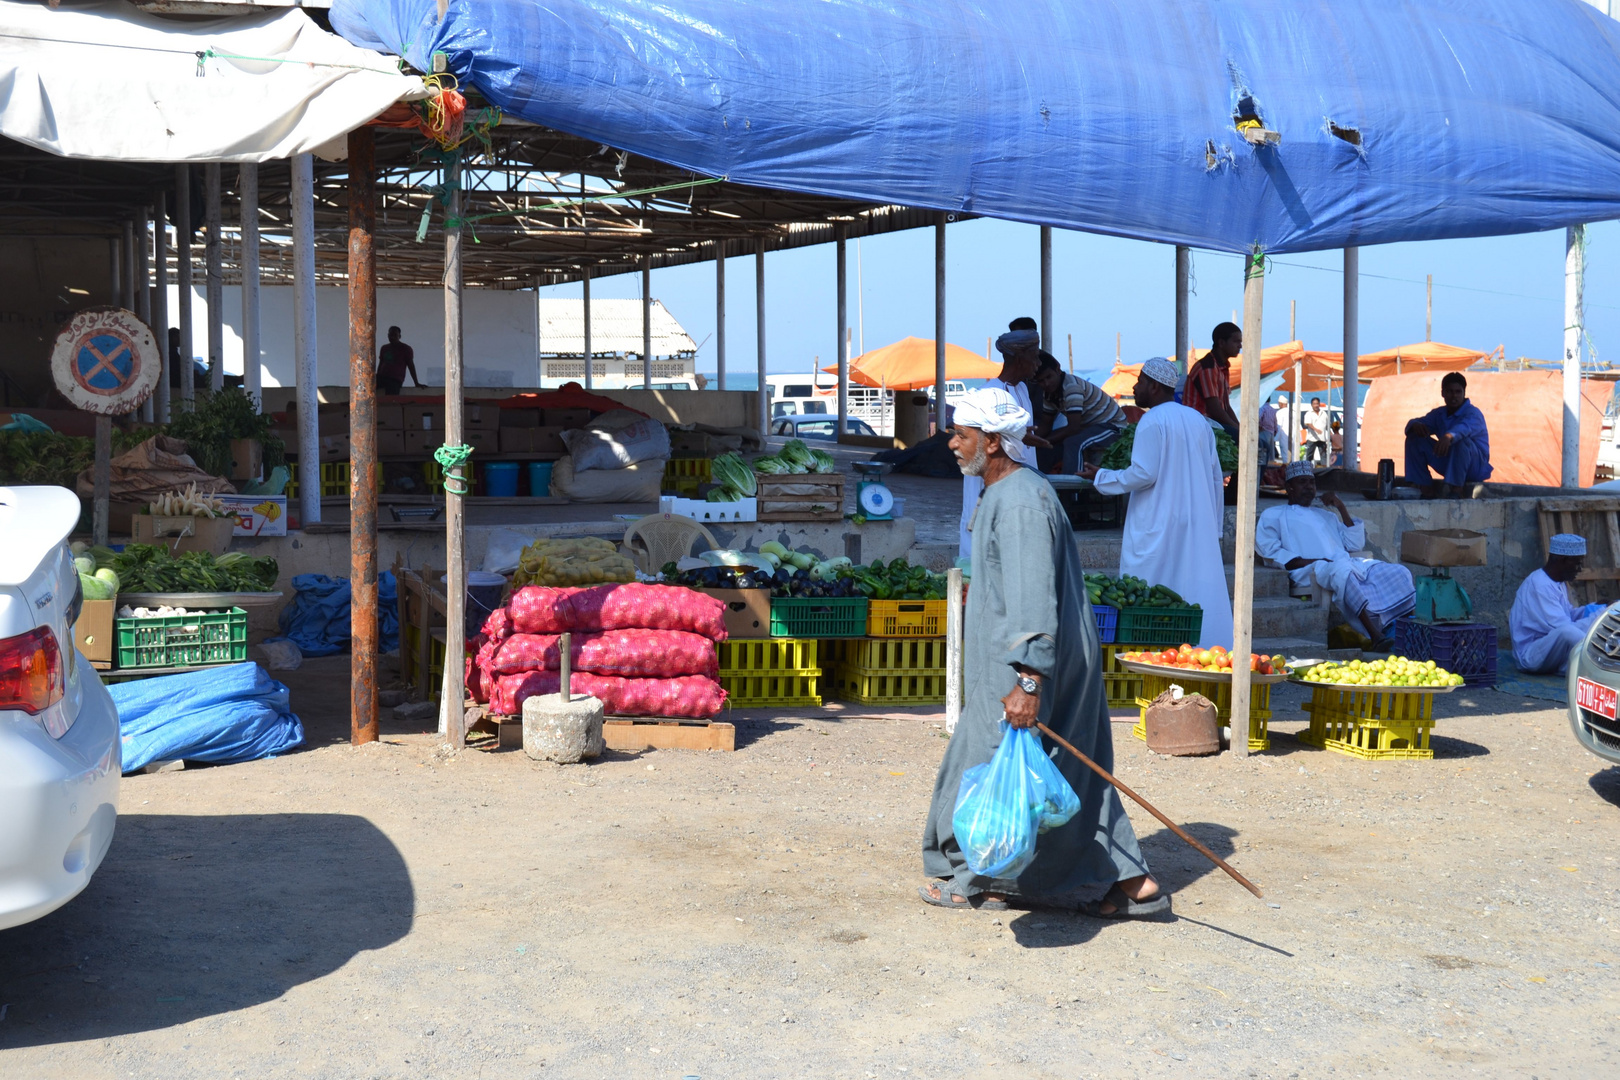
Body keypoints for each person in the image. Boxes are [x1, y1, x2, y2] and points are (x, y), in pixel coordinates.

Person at [921, 385, 1164, 918]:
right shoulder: (1004, 491)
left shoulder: (1022, 502)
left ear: (992, 440)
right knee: (1051, 771)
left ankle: (972, 875)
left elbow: (1033, 599)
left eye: (962, 436)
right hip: (1012, 661)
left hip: (1028, 665)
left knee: (1009, 763)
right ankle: (1126, 883)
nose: (954, 446)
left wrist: (1030, 680)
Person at [1081, 358, 1234, 648]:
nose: (1135, 387)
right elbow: (1216, 476)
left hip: (1159, 522)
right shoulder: (1197, 420)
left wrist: (1101, 476)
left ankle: (1152, 651)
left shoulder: (1151, 421)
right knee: (1194, 586)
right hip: (1195, 523)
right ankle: (1205, 652)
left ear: (1154, 386)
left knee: (1151, 587)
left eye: (1139, 381)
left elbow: (1143, 473)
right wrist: (1212, 526)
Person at [1256, 462, 1416, 645]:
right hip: (1310, 570)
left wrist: (1340, 507)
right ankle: (1375, 636)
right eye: (1302, 482)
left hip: (1344, 564)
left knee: (1399, 572)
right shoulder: (1273, 514)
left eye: (1312, 482)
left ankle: (1407, 631)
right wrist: (1315, 561)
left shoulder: (1327, 515)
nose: (1309, 487)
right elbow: (1270, 551)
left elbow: (1354, 543)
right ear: (1289, 487)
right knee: (1342, 572)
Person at [958, 328, 1050, 558]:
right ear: (1020, 358)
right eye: (1035, 356)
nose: (1038, 363)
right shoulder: (988, 394)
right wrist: (1019, 435)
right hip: (989, 483)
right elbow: (983, 439)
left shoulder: (1022, 390)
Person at [1510, 534, 1607, 675]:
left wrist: (1597, 607)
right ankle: (1602, 662)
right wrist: (1597, 615)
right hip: (1532, 655)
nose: (1579, 569)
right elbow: (1563, 629)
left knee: (1608, 611)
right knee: (1570, 631)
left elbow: (1569, 615)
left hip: (1552, 649)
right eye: (1577, 563)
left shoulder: (1557, 583)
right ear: (1562, 560)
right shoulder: (1540, 585)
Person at [1033, 353, 1126, 472]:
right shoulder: (1048, 393)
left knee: (1073, 443)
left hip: (1112, 426)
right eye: (1041, 381)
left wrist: (1044, 441)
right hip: (1088, 428)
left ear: (1058, 369)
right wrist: (1031, 441)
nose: (1046, 383)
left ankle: (1072, 488)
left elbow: (1073, 429)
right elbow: (1045, 426)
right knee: (1045, 446)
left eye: (1049, 377)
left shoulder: (1072, 387)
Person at [1405, 372, 1492, 497]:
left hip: (1474, 467)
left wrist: (1448, 437)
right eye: (1450, 391)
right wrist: (1415, 424)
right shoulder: (1439, 414)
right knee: (1414, 439)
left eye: (1458, 392)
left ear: (1464, 393)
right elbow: (1420, 423)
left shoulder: (1473, 413)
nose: (1454, 396)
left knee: (1460, 441)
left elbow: (1463, 428)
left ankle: (1457, 490)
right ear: (1443, 393)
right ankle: (1424, 487)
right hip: (1450, 463)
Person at [1182, 322, 1242, 440]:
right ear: (1221, 343)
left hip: (1211, 422)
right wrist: (1237, 429)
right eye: (1236, 342)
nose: (1240, 346)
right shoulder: (1207, 367)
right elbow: (1214, 409)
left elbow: (1226, 407)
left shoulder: (1222, 367)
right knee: (1239, 437)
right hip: (1199, 422)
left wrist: (1240, 427)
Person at [376, 326, 422, 396]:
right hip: (382, 377)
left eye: (395, 335)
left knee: (391, 399)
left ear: (399, 336)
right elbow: (381, 363)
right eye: (390, 335)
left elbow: (411, 366)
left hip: (395, 379)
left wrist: (416, 383)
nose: (392, 337)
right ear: (388, 336)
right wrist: (377, 376)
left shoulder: (406, 349)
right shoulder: (384, 348)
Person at [1301, 398, 1330, 466]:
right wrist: (1316, 429)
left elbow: (1327, 425)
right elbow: (1308, 424)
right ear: (1312, 405)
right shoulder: (1309, 413)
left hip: (1322, 438)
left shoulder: (1324, 413)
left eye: (1317, 403)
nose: (1316, 405)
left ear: (1319, 404)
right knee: (1309, 456)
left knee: (1323, 455)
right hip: (1312, 438)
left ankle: (1324, 469)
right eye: (1314, 404)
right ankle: (1307, 468)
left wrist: (1330, 433)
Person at [1258, 394, 1282, 463]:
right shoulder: (1272, 409)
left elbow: (1258, 418)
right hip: (1271, 433)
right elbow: (1275, 422)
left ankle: (1264, 469)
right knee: (1271, 454)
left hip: (1263, 432)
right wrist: (1275, 431)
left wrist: (1259, 426)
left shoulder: (1262, 408)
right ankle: (1270, 467)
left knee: (1262, 452)